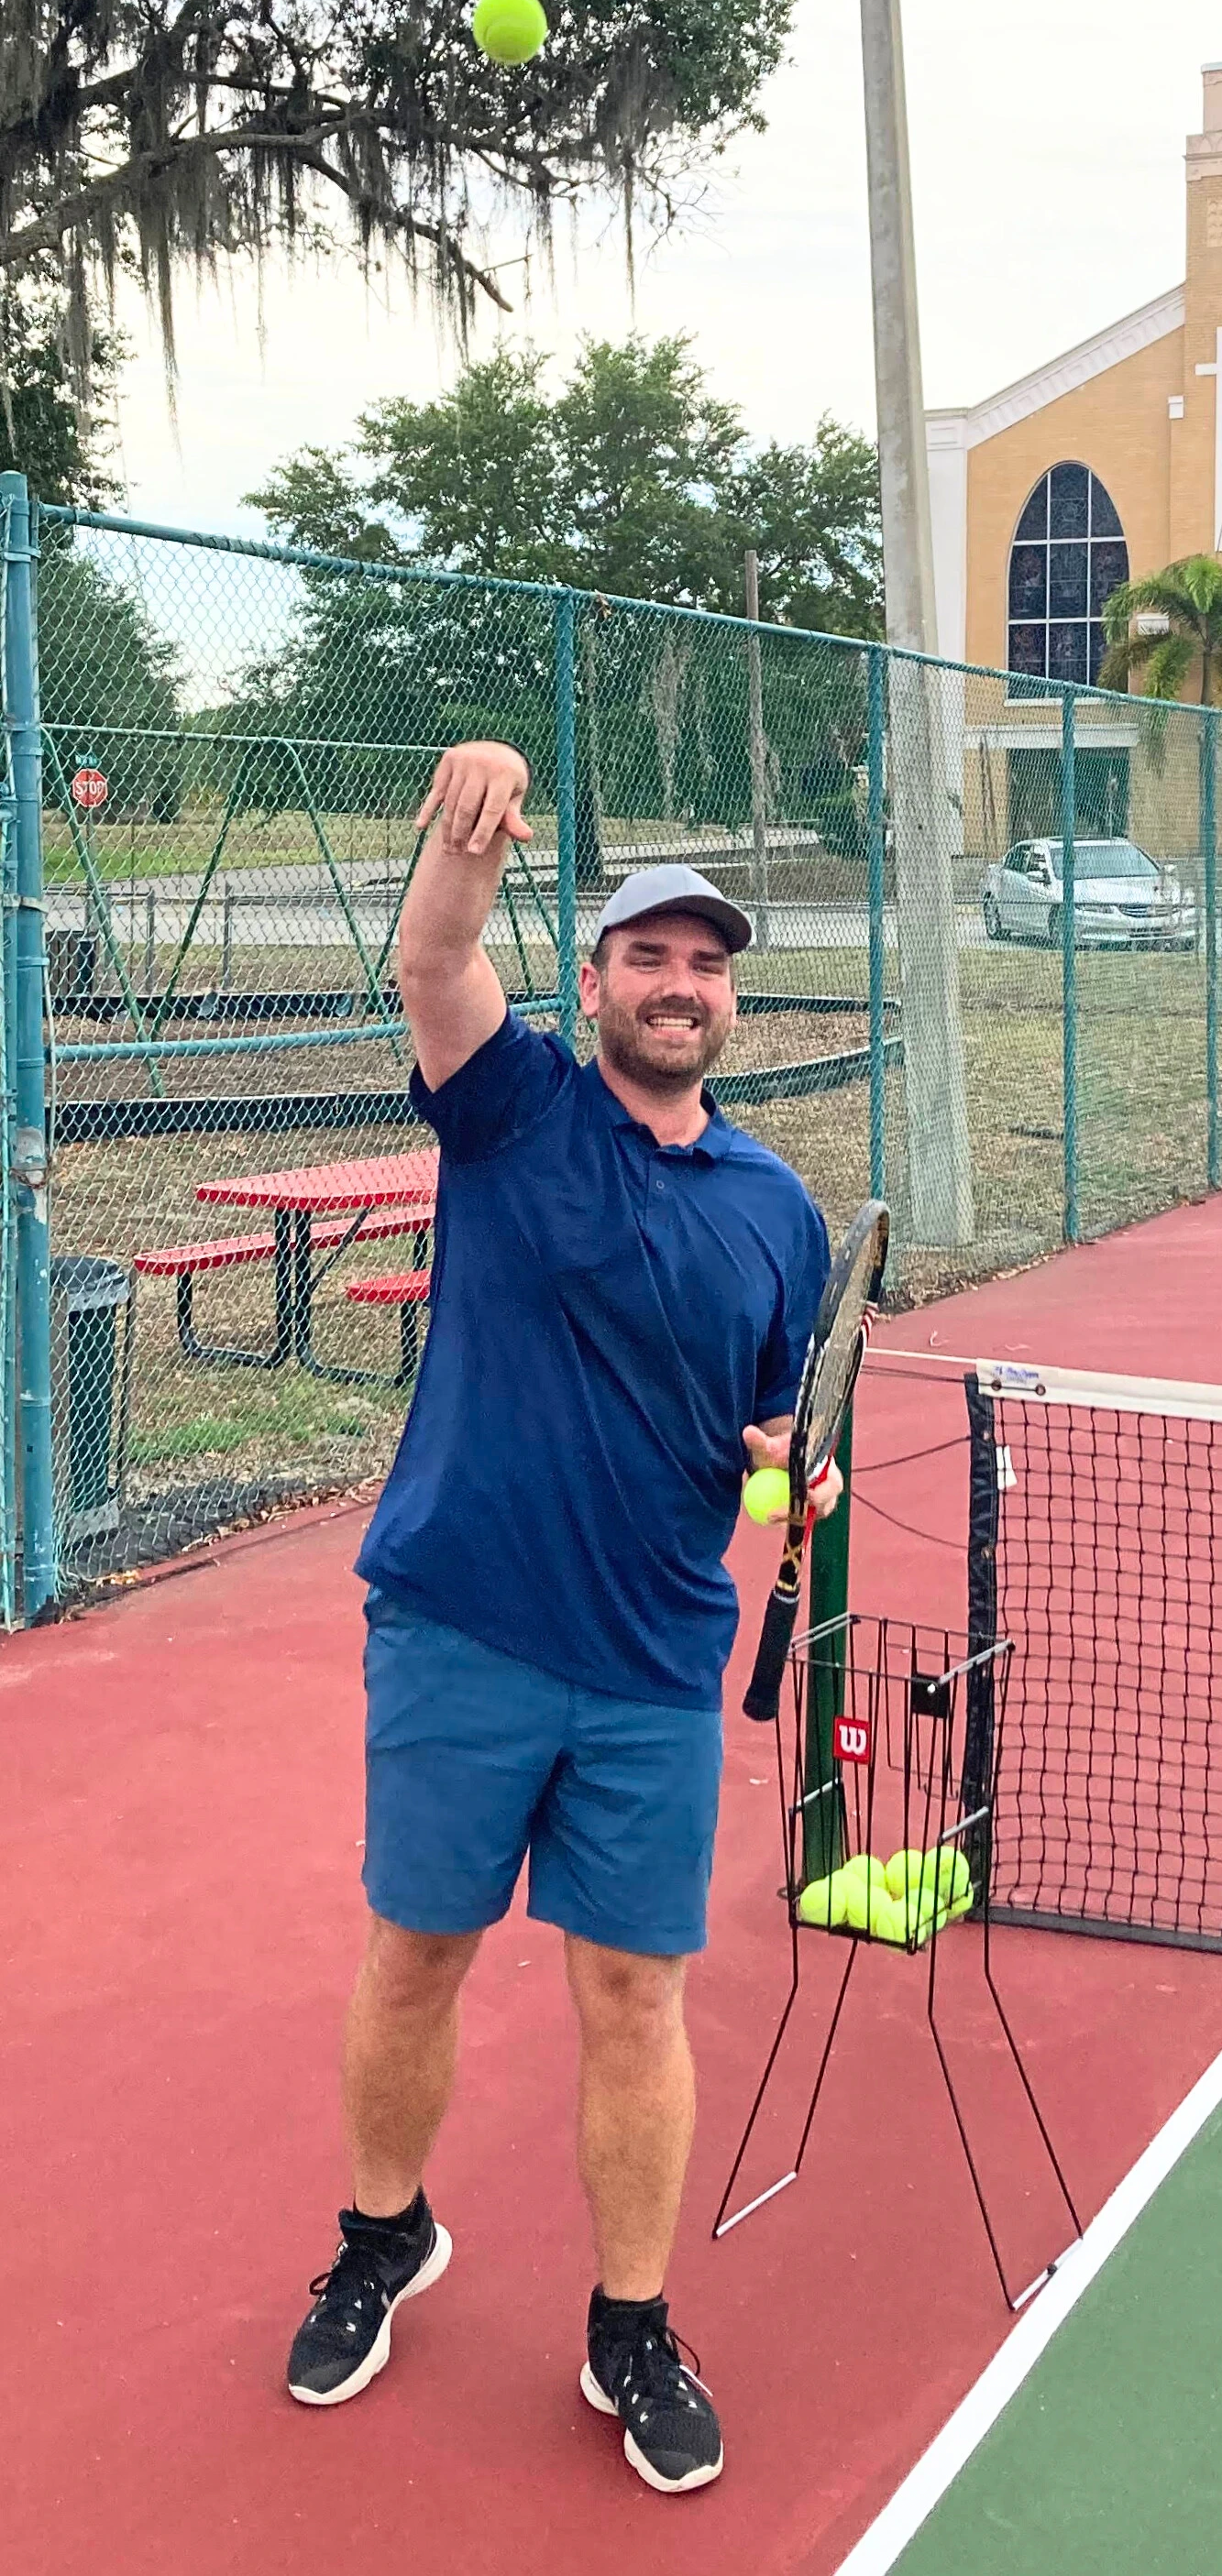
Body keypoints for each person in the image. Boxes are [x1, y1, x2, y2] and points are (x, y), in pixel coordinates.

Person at [286, 739, 840, 2493]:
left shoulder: (779, 1215)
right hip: (461, 1623)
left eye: (708, 963)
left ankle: (630, 2325)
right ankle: (385, 2236)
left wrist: (790, 1477)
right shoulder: (513, 1104)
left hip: (657, 1664)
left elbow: (766, 1435)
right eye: (649, 956)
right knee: (415, 1954)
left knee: (634, 1996)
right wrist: (468, 823)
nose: (681, 985)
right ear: (593, 978)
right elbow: (435, 961)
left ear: (727, 1000)